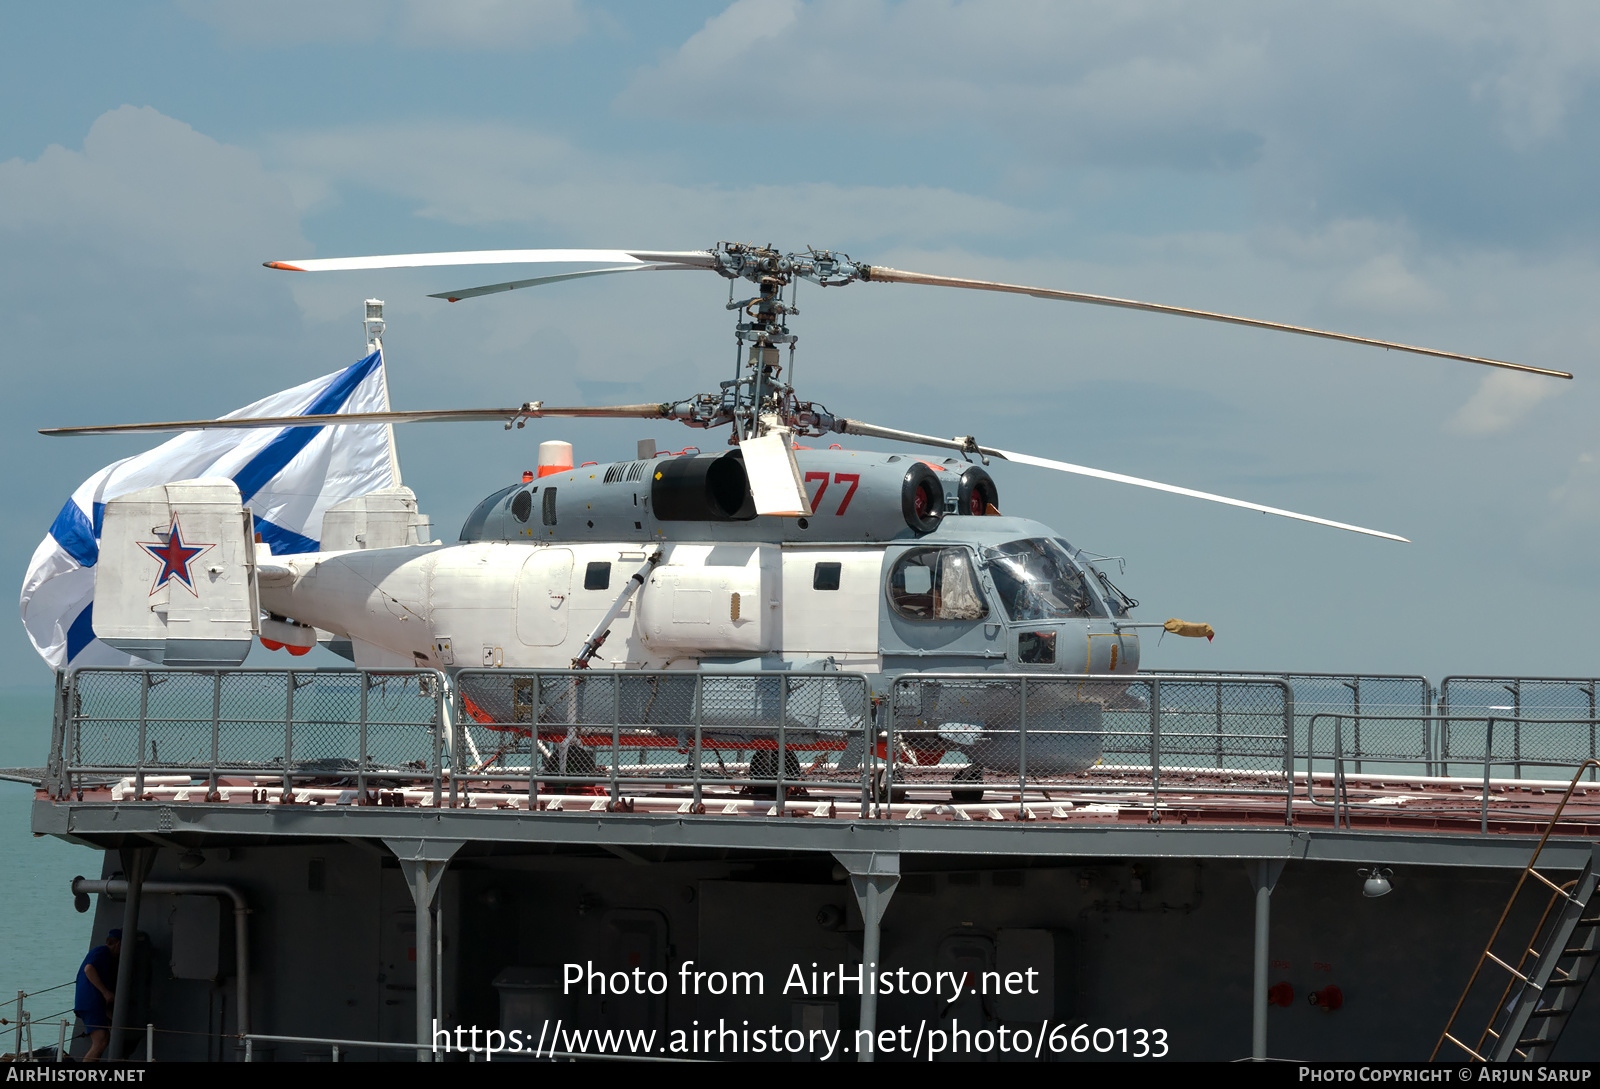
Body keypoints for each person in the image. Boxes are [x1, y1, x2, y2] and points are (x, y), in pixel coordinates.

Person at [74, 929, 119, 1062]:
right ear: (118, 944)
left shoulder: (106, 958)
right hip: (90, 1002)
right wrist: (106, 993)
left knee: (104, 1038)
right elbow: (89, 969)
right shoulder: (102, 952)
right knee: (100, 1040)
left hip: (92, 1002)